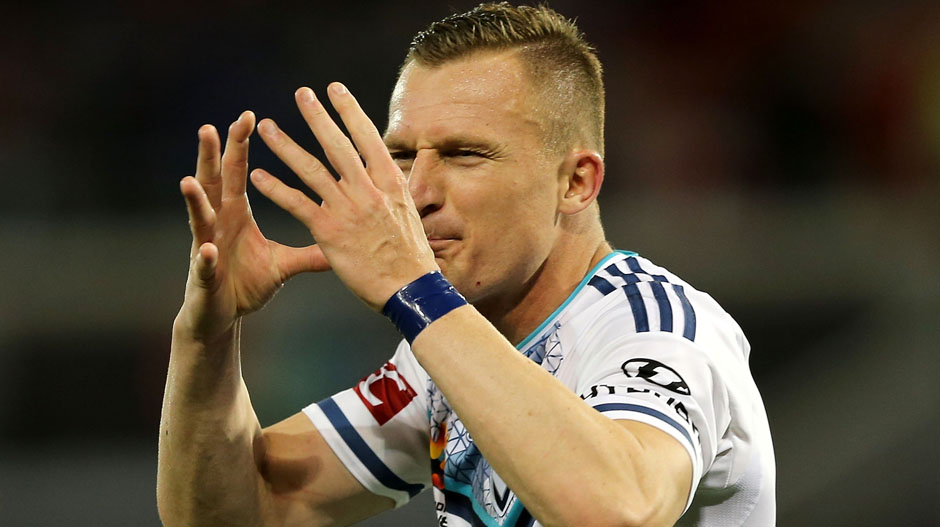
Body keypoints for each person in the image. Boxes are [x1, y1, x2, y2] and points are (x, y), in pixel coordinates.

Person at [157, 3, 775, 526]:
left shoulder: (659, 330)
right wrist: (207, 336)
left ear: (576, 182)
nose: (415, 191)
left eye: (464, 153)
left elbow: (618, 510)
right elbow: (235, 513)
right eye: (402, 155)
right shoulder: (445, 348)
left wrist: (415, 291)